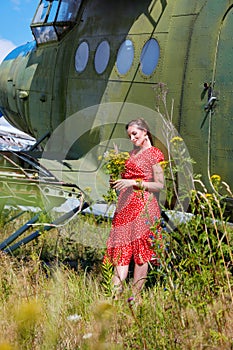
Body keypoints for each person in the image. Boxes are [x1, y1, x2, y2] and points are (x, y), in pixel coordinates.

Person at [106, 118, 165, 298]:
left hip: (143, 205)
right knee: (121, 249)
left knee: (142, 253)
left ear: (145, 131)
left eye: (135, 134)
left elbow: (159, 185)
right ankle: (114, 297)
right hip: (125, 206)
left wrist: (133, 182)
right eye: (130, 135)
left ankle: (135, 298)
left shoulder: (155, 154)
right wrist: (115, 173)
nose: (132, 138)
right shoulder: (130, 155)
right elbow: (122, 180)